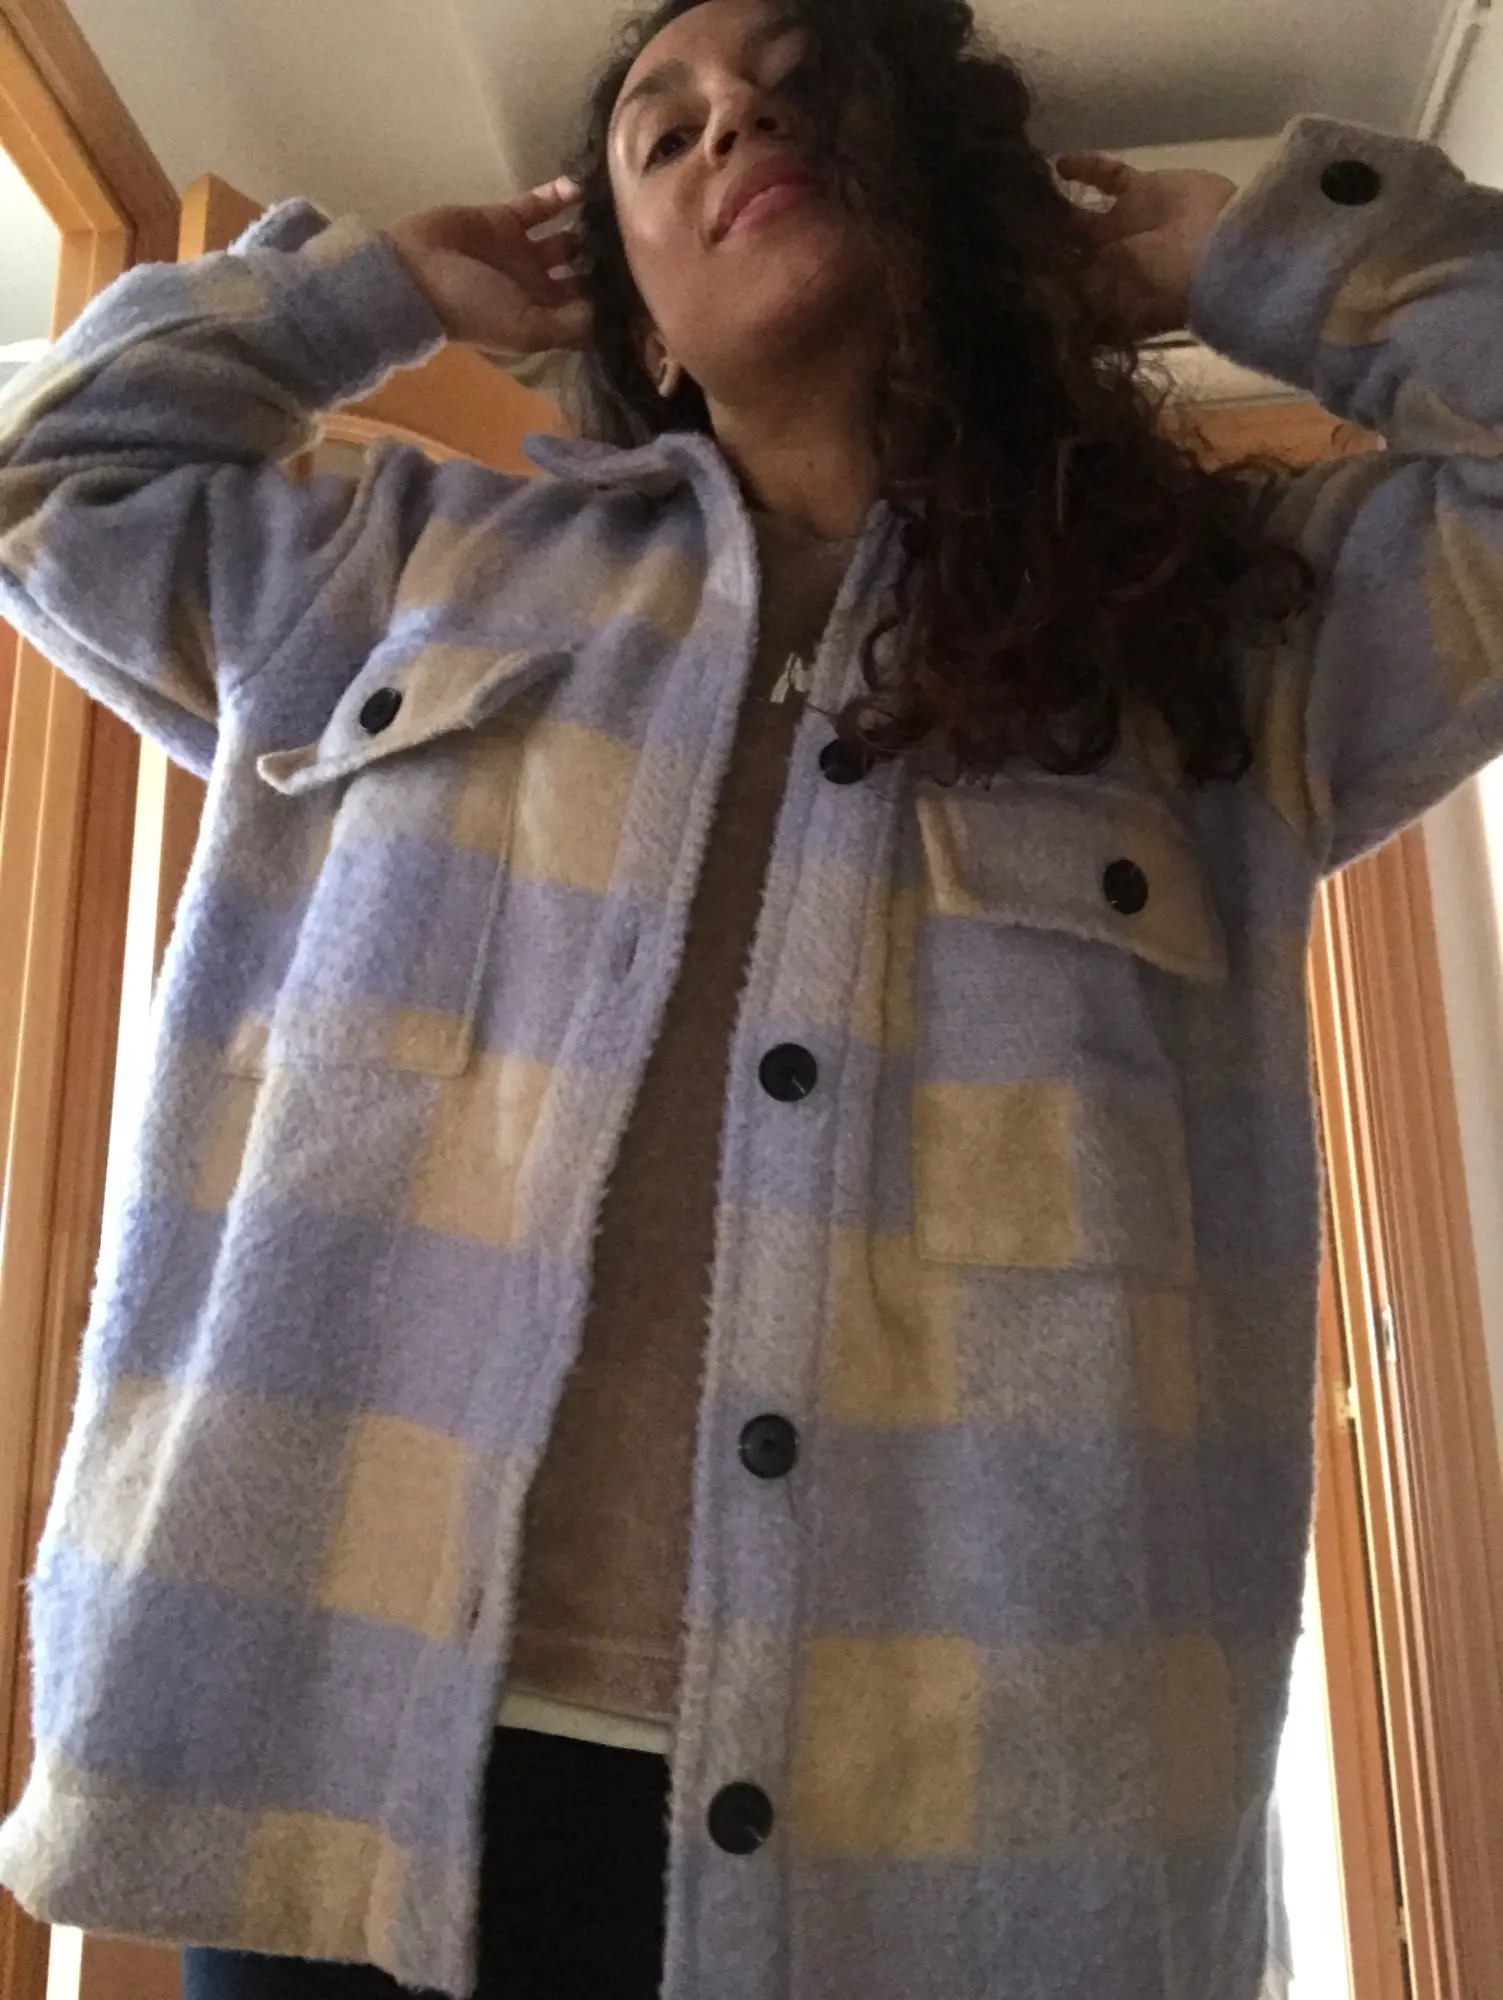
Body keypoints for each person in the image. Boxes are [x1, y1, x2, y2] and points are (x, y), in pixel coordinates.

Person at [0, 0, 1499, 1995]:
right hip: (347, 1788)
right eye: (662, 128)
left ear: (939, 183)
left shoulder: (1213, 632)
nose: (731, 128)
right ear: (624, 304)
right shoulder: (400, 567)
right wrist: (371, 291)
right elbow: (55, 480)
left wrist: (1273, 252)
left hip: (950, 1852)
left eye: (803, 90)